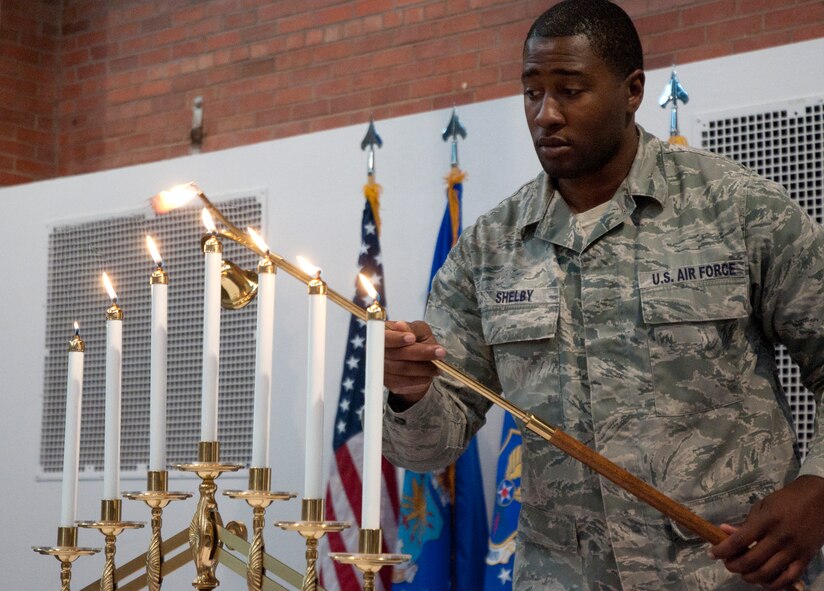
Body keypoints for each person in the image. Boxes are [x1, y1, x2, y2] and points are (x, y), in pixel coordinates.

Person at [380, 1, 824, 589]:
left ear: (632, 90)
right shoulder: (488, 249)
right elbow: (432, 449)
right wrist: (409, 394)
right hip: (562, 574)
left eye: (570, 90)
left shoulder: (738, 210)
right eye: (531, 92)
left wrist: (818, 489)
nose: (546, 114)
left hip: (728, 572)